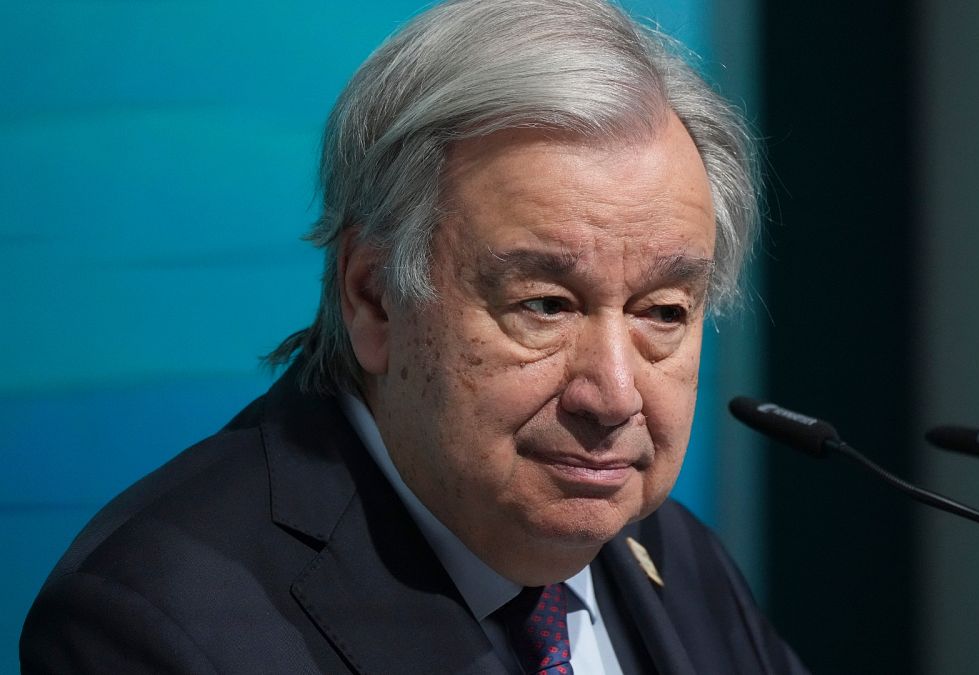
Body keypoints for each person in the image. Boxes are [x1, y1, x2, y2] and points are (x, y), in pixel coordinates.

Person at [21, 0, 806, 672]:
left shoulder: (675, 557)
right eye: (545, 304)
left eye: (662, 312)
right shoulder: (159, 623)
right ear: (374, 298)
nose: (613, 395)